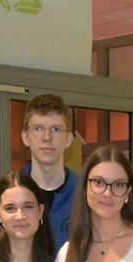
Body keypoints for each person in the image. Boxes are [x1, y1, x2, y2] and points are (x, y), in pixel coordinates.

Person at [20, 94, 80, 246]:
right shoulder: (5, 194)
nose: (47, 137)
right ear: (25, 137)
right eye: (38, 128)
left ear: (68, 139)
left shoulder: (87, 193)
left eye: (56, 129)